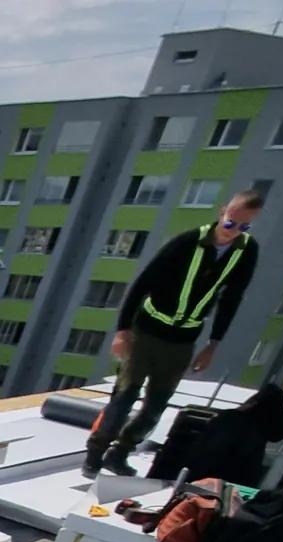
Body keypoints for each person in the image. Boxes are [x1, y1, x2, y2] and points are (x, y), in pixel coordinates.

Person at [83, 190, 262, 479]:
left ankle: (121, 452)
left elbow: (232, 299)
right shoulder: (188, 241)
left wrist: (212, 345)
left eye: (244, 227)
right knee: (126, 393)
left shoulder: (246, 252)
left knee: (156, 404)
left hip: (182, 339)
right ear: (221, 213)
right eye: (231, 223)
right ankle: (95, 452)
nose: (234, 232)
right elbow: (143, 282)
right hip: (147, 330)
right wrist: (123, 329)